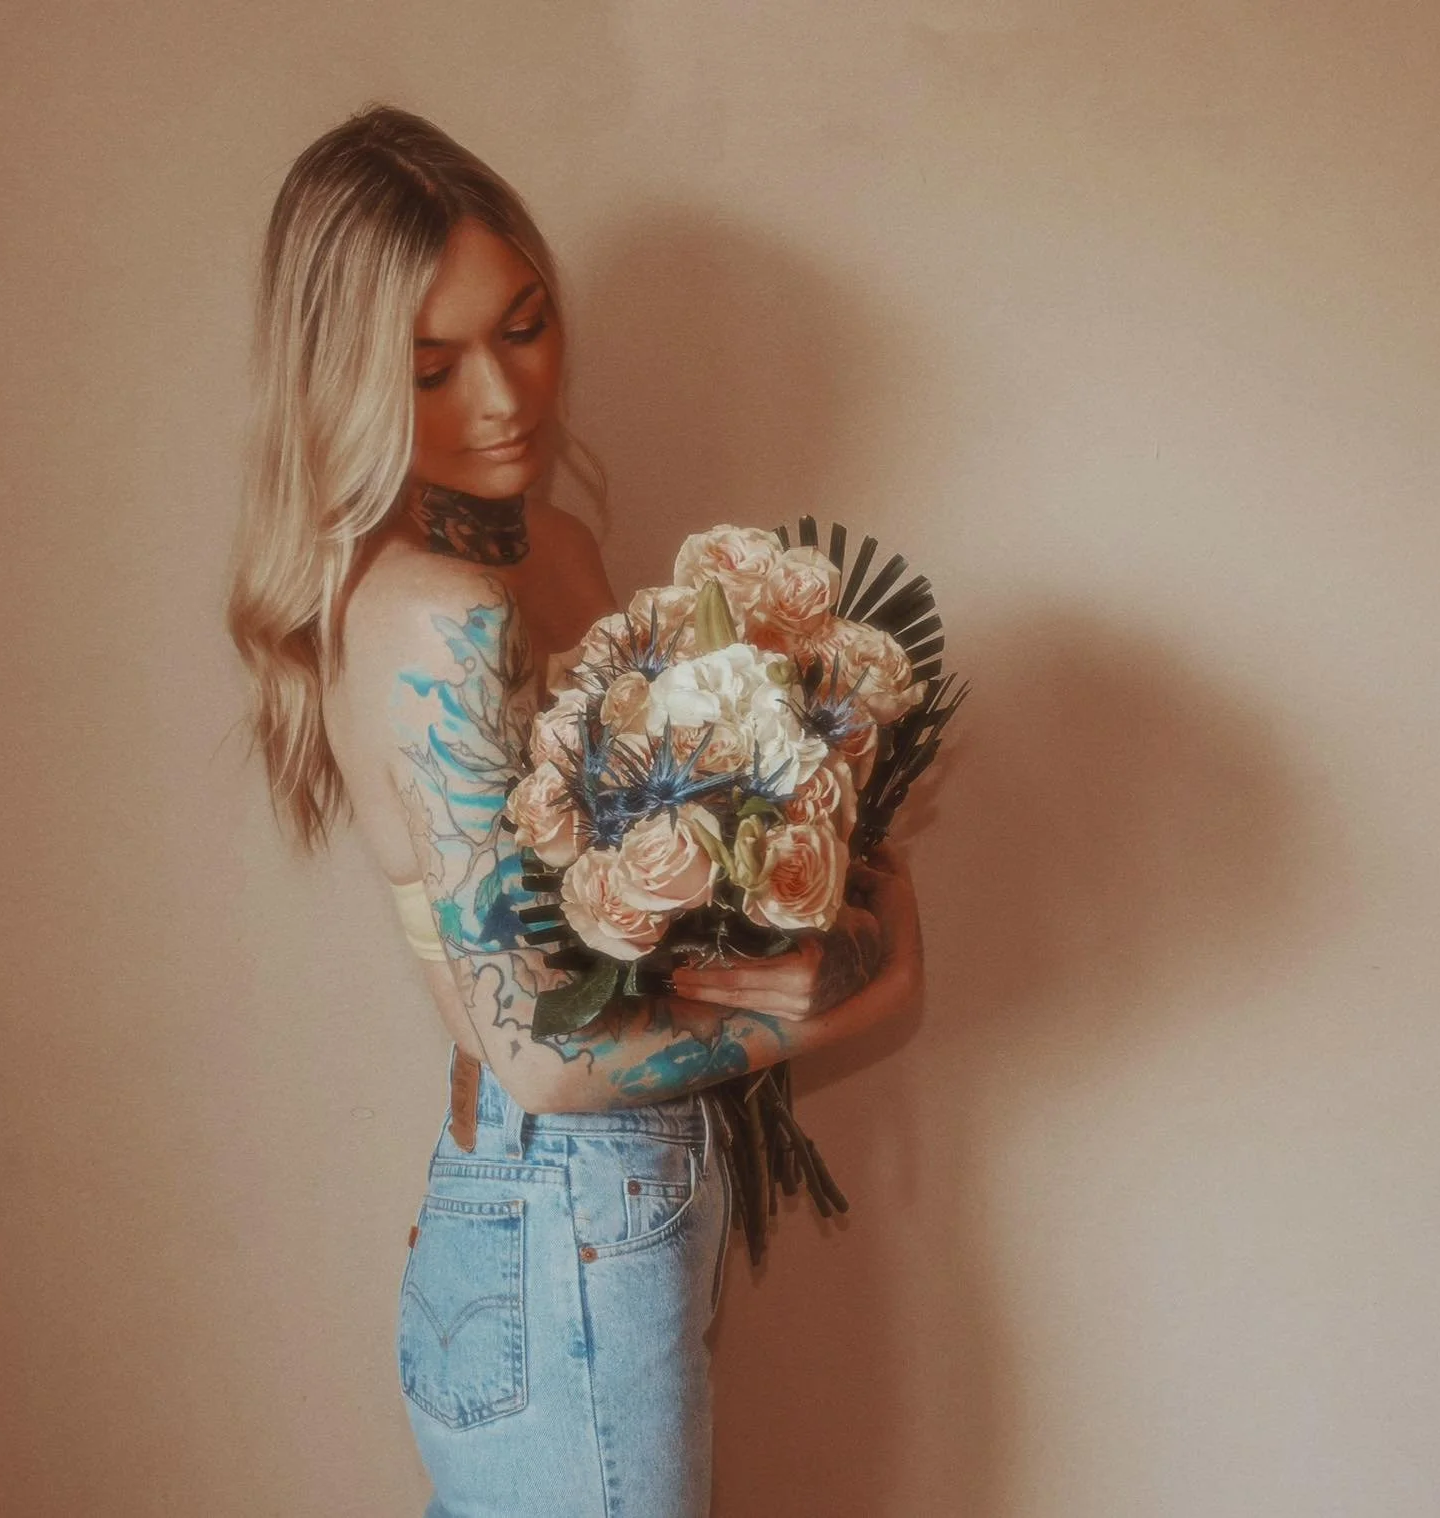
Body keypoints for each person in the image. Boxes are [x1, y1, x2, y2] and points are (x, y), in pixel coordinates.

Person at [226, 104, 926, 1518]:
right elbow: (545, 1058)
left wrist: (812, 854)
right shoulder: (434, 615)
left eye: (524, 325)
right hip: (565, 1209)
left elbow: (640, 931)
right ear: (347, 386)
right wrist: (852, 993)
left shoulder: (558, 545)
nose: (502, 398)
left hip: (606, 1210)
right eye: (430, 367)